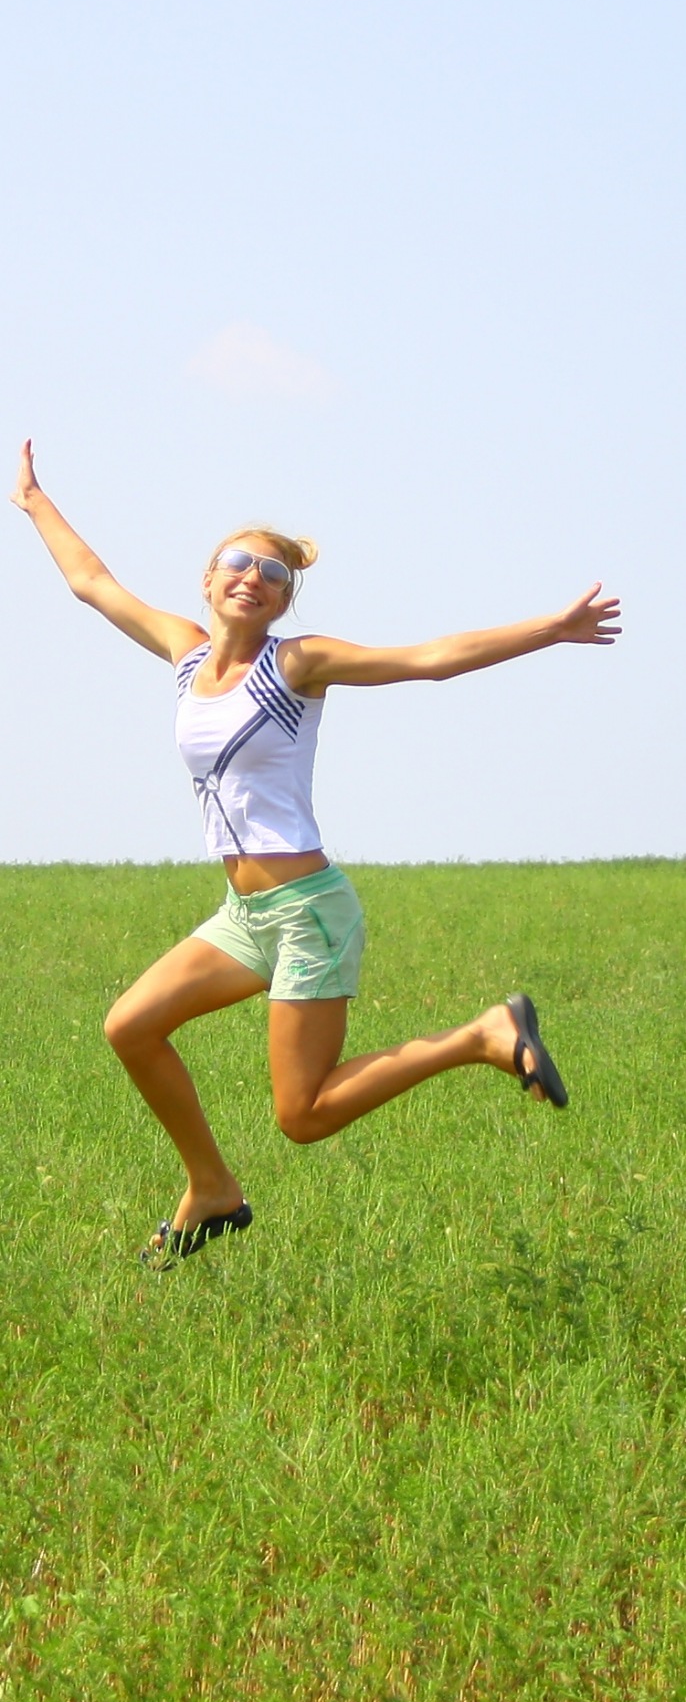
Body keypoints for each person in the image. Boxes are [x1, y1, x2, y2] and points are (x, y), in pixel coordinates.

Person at [12, 439, 621, 1267]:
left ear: (282, 601)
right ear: (208, 579)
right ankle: (211, 1187)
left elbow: (430, 660)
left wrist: (553, 628)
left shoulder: (297, 664)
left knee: (302, 1116)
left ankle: (480, 1036)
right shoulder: (185, 653)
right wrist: (34, 501)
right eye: (238, 563)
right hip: (245, 915)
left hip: (309, 914)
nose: (253, 578)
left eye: (273, 575)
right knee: (131, 1026)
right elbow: (92, 582)